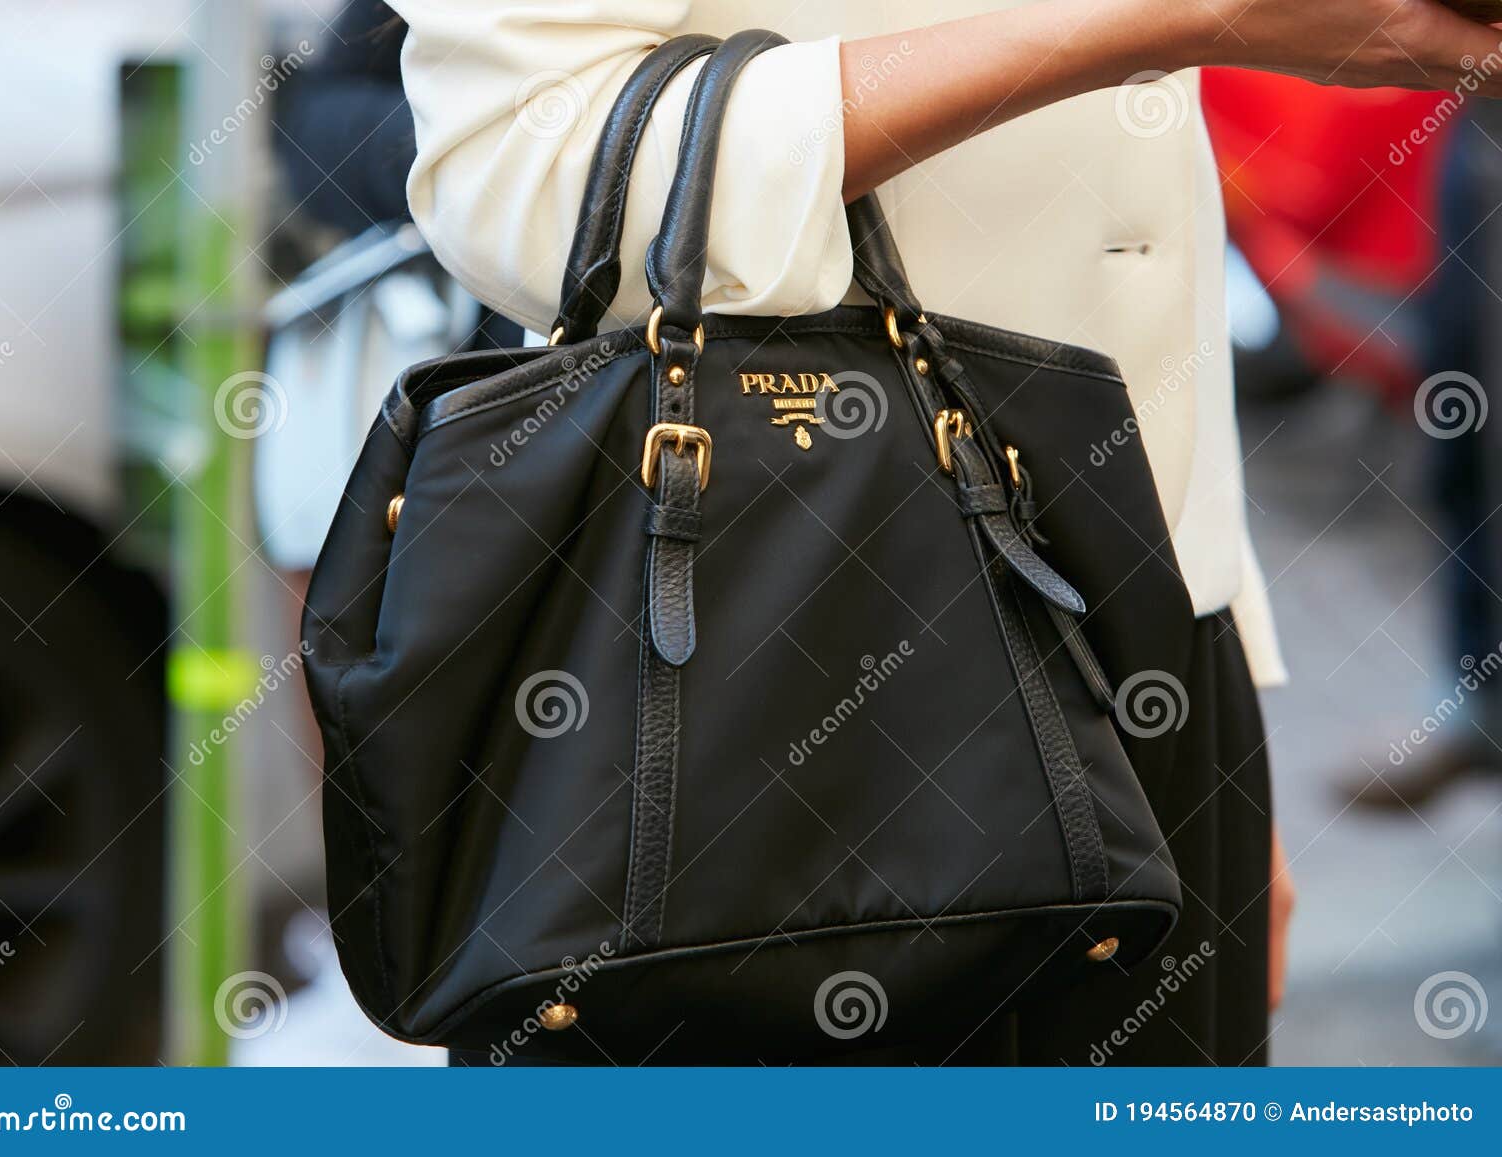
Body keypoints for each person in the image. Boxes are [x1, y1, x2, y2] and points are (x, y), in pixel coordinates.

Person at [380, 0, 1502, 1064]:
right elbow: (525, 174)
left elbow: (1128, 228)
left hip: (1148, 658)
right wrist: (1178, 23)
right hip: (759, 700)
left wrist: (1217, 669)